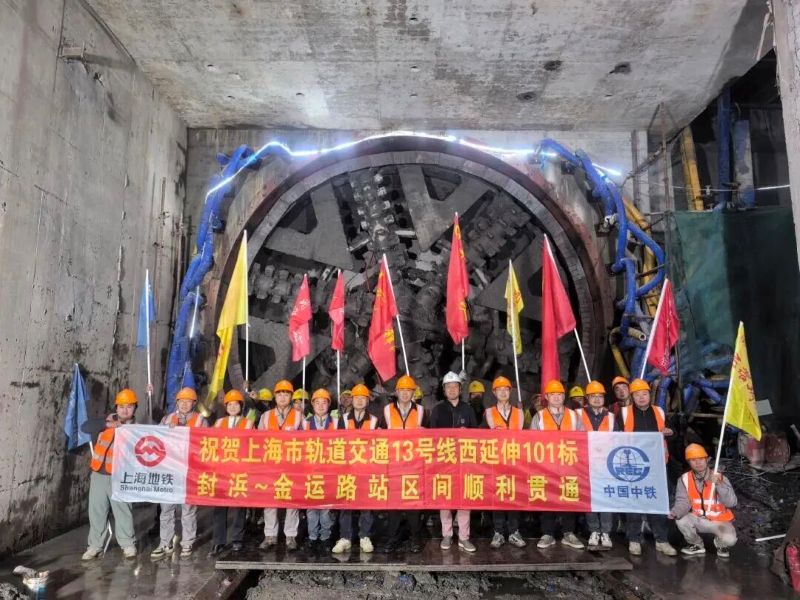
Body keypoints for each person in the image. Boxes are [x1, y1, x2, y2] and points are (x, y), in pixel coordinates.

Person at [621, 378, 677, 556]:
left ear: (649, 395)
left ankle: (661, 540)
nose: (641, 397)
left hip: (657, 464)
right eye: (637, 395)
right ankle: (634, 539)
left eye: (644, 394)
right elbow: (616, 437)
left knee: (658, 502)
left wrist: (670, 432)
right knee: (634, 502)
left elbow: (673, 433)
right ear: (632, 397)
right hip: (633, 465)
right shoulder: (624, 413)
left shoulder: (659, 411)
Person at [82, 389, 139, 560]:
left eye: (129, 407)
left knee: (123, 511)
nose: (125, 410)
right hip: (99, 474)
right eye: (121, 406)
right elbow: (85, 427)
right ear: (116, 407)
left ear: (135, 408)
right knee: (96, 512)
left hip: (120, 476)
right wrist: (108, 425)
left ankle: (128, 544)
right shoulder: (105, 422)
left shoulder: (137, 429)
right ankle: (95, 546)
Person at [151, 387, 208, 559]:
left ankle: (187, 543)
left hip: (190, 471)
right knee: (166, 509)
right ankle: (165, 542)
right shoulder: (167, 419)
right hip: (169, 470)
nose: (184, 404)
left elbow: (206, 444)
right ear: (176, 402)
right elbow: (156, 438)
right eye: (181, 401)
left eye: (188, 401)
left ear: (194, 403)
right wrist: (166, 431)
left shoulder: (201, 421)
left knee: (188, 509)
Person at [532, 380, 584, 550]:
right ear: (547, 397)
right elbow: (531, 441)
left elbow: (582, 439)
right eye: (553, 394)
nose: (556, 397)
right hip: (547, 466)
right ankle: (547, 534)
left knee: (569, 498)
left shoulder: (574, 416)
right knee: (548, 499)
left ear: (564, 396)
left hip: (569, 465)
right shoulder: (539, 416)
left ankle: (569, 533)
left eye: (559, 394)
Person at [430, 371, 478, 553]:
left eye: (455, 386)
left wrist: (467, 434)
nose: (452, 389)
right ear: (444, 390)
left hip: (465, 461)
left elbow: (477, 436)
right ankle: (447, 534)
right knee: (445, 498)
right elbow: (432, 436)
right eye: (448, 387)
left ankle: (464, 537)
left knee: (464, 499)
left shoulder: (468, 409)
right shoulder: (437, 410)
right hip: (444, 461)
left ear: (460, 389)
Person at [332, 383, 379, 555]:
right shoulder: (343, 419)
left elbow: (379, 443)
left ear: (367, 400)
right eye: (356, 398)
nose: (359, 401)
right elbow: (338, 442)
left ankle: (365, 536)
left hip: (367, 468)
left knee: (366, 504)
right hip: (347, 468)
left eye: (362, 398)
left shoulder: (374, 420)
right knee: (346, 504)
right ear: (351, 400)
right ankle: (345, 537)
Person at [383, 374, 427, 553]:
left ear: (413, 392)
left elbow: (429, 436)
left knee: (413, 504)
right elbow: (379, 434)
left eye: (409, 390)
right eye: (402, 390)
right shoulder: (387, 410)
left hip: (413, 464)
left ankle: (415, 539)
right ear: (396, 392)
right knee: (393, 504)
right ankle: (392, 538)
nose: (405, 393)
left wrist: (425, 432)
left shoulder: (421, 411)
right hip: (393, 463)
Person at [669, 444, 737, 558]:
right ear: (688, 462)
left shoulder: (720, 478)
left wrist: (719, 485)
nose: (698, 463)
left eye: (701, 459)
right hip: (698, 518)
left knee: (730, 540)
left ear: (707, 459)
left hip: (719, 521)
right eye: (693, 460)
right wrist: (676, 512)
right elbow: (683, 501)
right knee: (681, 519)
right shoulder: (684, 479)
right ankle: (696, 544)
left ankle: (721, 544)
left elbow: (732, 503)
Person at [259, 379, 303, 550]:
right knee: (269, 500)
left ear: (291, 397)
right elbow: (258, 441)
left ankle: (290, 536)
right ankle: (270, 535)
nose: (283, 397)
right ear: (275, 397)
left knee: (292, 501)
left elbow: (307, 441)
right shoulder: (265, 416)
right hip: (271, 465)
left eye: (286, 394)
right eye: (279, 394)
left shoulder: (299, 416)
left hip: (292, 465)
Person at [483, 376, 526, 549]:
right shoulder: (488, 412)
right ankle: (498, 532)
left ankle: (514, 531)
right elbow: (481, 436)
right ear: (494, 392)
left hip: (515, 461)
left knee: (514, 496)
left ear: (510, 392)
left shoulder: (519, 412)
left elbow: (526, 437)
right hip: (496, 461)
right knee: (498, 496)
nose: (503, 392)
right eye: (499, 390)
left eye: (506, 389)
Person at [209, 390, 253, 556]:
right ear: (226, 406)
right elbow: (210, 442)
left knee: (239, 507)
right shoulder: (219, 423)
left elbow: (253, 445)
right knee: (219, 508)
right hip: (222, 470)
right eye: (230, 404)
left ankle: (237, 539)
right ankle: (218, 541)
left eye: (236, 404)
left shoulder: (248, 423)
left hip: (240, 470)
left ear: (241, 406)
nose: (233, 407)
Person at [577, 381, 618, 550]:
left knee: (606, 498)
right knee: (590, 499)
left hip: (606, 464)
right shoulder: (577, 414)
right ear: (587, 398)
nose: (596, 399)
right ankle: (594, 530)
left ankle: (605, 532)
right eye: (593, 396)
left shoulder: (611, 417)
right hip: (585, 463)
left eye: (600, 396)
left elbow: (618, 438)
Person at [302, 389, 337, 554]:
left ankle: (325, 537)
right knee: (311, 507)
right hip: (311, 470)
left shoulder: (335, 422)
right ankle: (312, 537)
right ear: (313, 405)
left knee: (326, 508)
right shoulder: (305, 423)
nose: (321, 406)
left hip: (329, 471)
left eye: (324, 403)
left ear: (329, 405)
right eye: (317, 403)